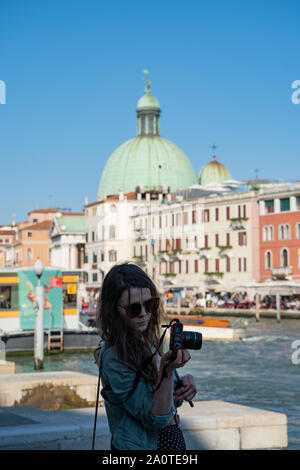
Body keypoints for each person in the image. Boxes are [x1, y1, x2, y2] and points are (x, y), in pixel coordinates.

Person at [95, 262, 197, 450]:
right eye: (134, 309)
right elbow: (155, 416)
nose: (144, 314)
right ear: (115, 310)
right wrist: (168, 371)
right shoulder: (114, 357)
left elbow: (163, 398)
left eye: (150, 305)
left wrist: (182, 384)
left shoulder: (148, 340)